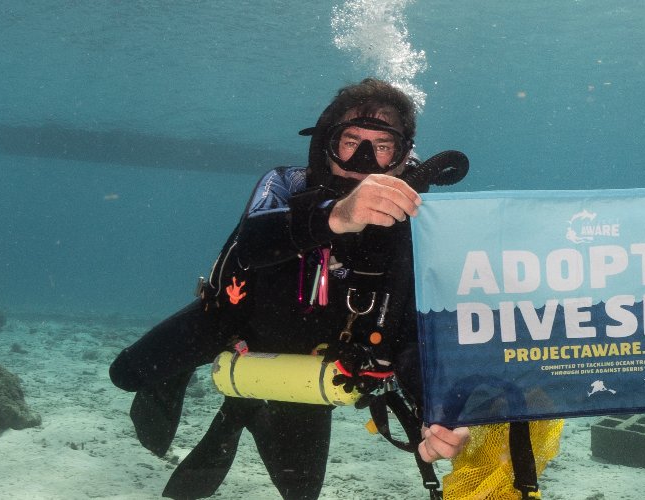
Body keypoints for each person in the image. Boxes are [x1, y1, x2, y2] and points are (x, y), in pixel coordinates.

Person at [110, 78, 469, 499]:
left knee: (300, 491)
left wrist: (436, 413)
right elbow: (253, 241)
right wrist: (338, 215)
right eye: (350, 141)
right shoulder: (286, 183)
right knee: (125, 374)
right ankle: (176, 383)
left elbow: (408, 332)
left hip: (315, 358)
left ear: (403, 155)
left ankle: (240, 409)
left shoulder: (413, 222)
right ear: (326, 141)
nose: (363, 158)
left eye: (382, 146)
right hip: (232, 320)